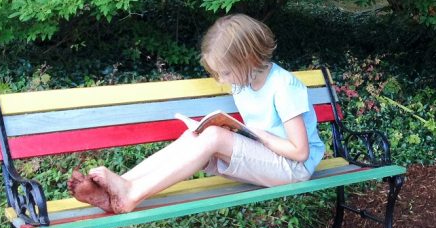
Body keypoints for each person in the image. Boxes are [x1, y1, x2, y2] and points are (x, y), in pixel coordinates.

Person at [68, 14, 326, 214]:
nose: (223, 81)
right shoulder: (242, 83)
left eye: (225, 73)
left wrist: (260, 135)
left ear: (247, 58)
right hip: (269, 160)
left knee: (213, 136)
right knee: (194, 136)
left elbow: (300, 152)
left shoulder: (284, 87)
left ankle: (131, 196)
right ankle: (119, 187)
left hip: (294, 168)